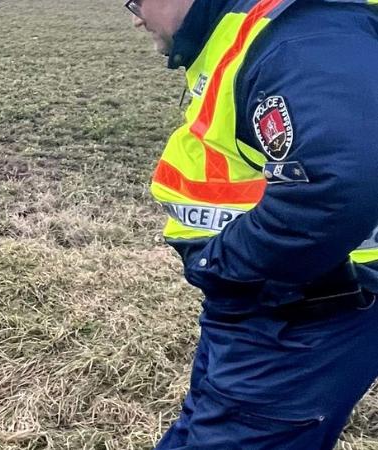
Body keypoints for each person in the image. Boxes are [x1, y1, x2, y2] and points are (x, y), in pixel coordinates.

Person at [126, 0, 378, 448]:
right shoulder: (255, 33)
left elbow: (339, 184)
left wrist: (224, 264)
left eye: (137, 0)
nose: (134, 17)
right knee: (201, 426)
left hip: (298, 312)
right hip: (265, 298)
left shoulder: (303, 39)